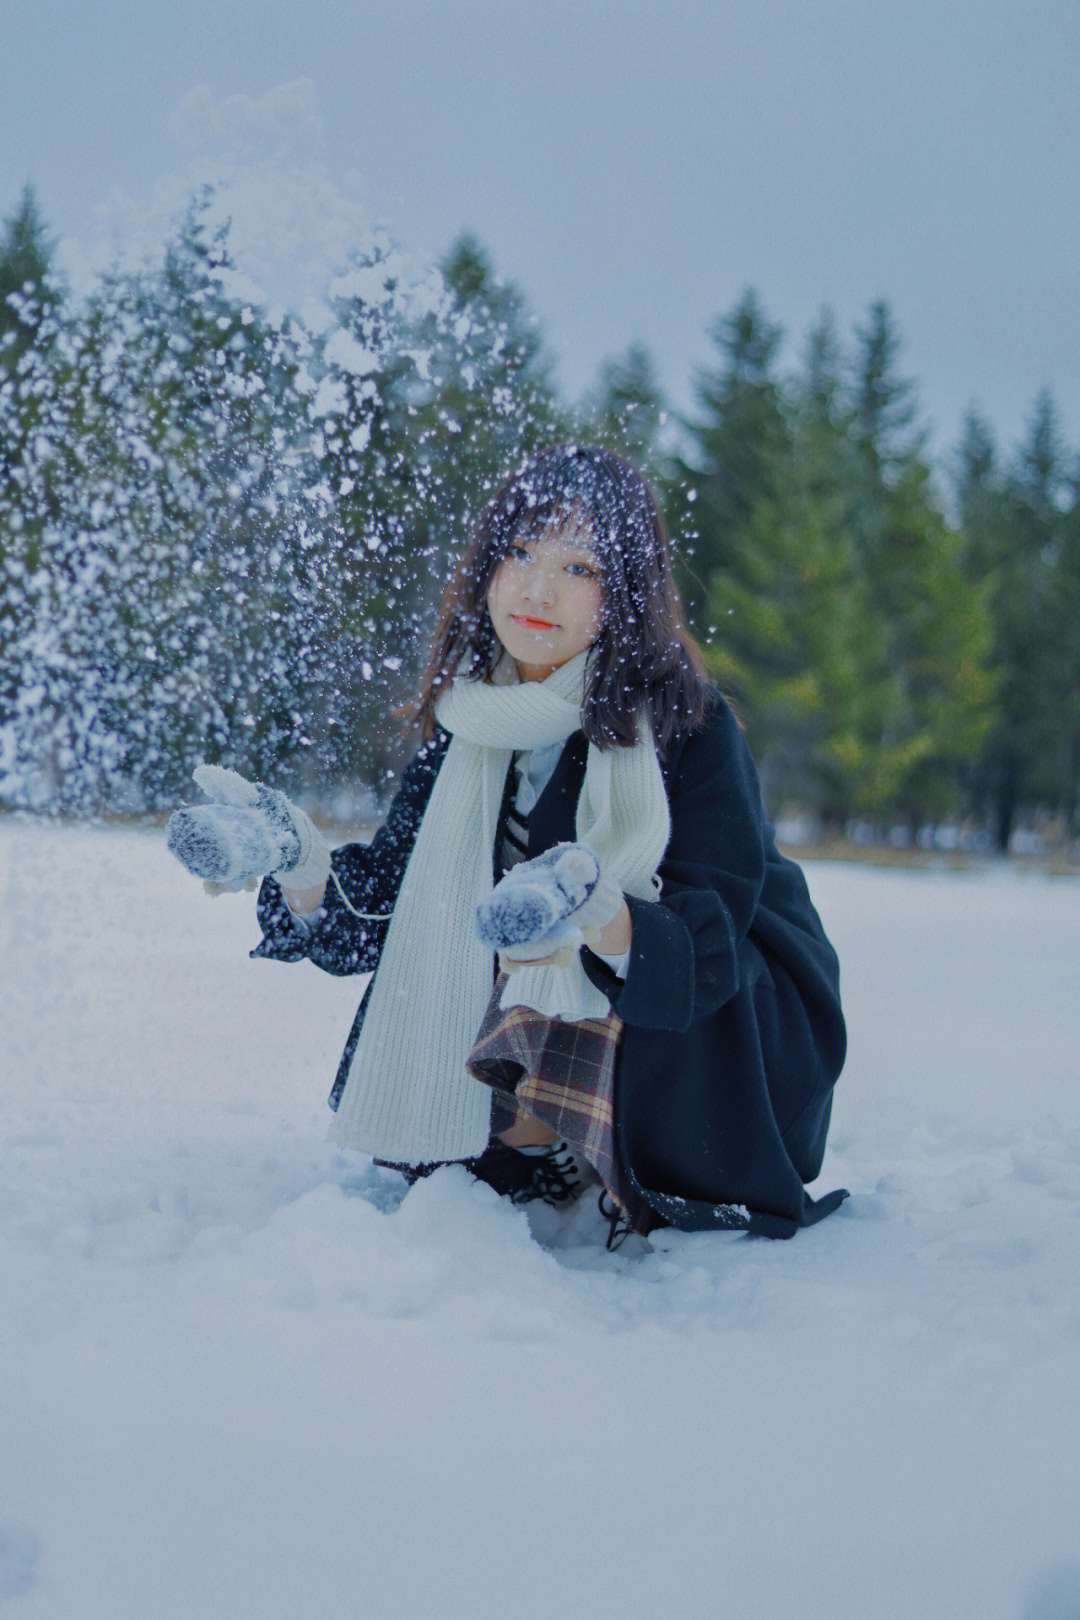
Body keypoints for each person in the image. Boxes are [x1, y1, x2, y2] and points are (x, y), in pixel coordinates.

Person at [168, 444, 847, 1249]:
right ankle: (534, 1138)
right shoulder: (471, 721)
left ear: (624, 590)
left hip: (729, 1024)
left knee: (555, 942)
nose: (535, 589)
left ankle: (568, 1139)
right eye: (519, 553)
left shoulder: (681, 722)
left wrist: (598, 910)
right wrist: (297, 863)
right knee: (477, 950)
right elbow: (387, 907)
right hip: (564, 1010)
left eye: (579, 568)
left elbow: (707, 937)